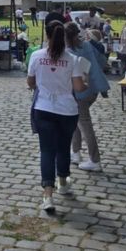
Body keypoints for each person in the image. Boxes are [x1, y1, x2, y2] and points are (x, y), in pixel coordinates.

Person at [28, 22, 87, 214]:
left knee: (47, 151)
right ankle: (62, 180)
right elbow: (78, 87)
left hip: (43, 107)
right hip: (66, 109)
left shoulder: (36, 56)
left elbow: (30, 82)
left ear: (46, 36)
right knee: (63, 147)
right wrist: (85, 82)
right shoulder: (72, 59)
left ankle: (47, 195)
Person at [65, 23, 107, 172]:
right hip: (94, 88)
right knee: (75, 121)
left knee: (84, 125)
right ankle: (75, 152)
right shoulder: (88, 45)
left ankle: (95, 160)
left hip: (79, 92)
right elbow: (102, 61)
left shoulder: (68, 52)